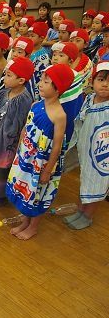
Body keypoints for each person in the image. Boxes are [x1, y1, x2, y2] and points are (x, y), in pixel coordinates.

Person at [6, 64, 73, 240]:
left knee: (38, 195)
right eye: (41, 80)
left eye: (46, 82)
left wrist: (47, 170)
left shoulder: (60, 115)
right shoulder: (36, 104)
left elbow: (57, 146)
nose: (40, 84)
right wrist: (19, 151)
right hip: (27, 158)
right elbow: (26, 128)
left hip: (42, 164)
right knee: (27, 193)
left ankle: (33, 226)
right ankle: (25, 221)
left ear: (58, 87)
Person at [0, 57, 34, 207]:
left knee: (2, 166)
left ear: (21, 80)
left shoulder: (24, 100)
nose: (4, 78)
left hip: (8, 141)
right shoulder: (4, 92)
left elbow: (20, 124)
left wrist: (4, 135)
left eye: (9, 75)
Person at [63, 61, 109, 229]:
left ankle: (88, 216)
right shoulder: (89, 98)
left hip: (102, 155)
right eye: (101, 79)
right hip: (86, 149)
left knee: (97, 183)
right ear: (92, 81)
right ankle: (80, 211)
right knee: (85, 181)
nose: (105, 84)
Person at [27, 22, 50, 101]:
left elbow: (39, 78)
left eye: (32, 36)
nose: (29, 38)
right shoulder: (26, 50)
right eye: (28, 35)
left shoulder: (43, 56)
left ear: (41, 38)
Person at [70, 29, 93, 95]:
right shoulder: (63, 57)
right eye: (71, 41)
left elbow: (88, 86)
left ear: (85, 44)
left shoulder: (87, 63)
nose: (73, 43)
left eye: (78, 41)